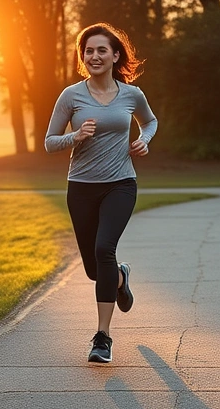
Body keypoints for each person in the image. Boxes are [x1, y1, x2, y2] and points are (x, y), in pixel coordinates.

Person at [45, 22, 158, 364]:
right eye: (88, 51)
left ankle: (102, 337)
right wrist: (74, 137)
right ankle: (121, 276)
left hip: (121, 184)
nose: (94, 56)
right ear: (83, 57)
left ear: (115, 55)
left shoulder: (131, 95)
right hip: (80, 188)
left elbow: (150, 121)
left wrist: (143, 141)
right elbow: (50, 143)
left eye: (101, 50)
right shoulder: (71, 95)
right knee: (97, 270)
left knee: (104, 248)